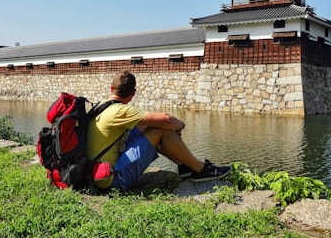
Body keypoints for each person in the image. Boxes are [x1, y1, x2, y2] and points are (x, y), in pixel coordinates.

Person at [86, 70, 231, 190]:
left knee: (145, 127)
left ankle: (184, 165)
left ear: (111, 89)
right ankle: (201, 170)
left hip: (95, 174)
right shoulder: (120, 111)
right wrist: (180, 125)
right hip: (112, 181)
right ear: (133, 93)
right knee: (161, 129)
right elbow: (167, 119)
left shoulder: (101, 106)